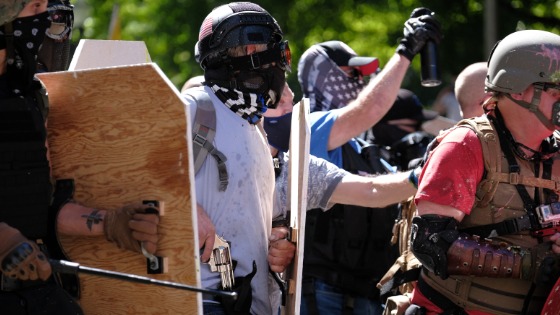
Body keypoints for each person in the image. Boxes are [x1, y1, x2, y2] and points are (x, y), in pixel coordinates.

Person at [0, 1, 160, 314]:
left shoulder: (26, 96)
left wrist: (109, 224)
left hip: (32, 293)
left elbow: (39, 206)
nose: (43, 19)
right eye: (32, 9)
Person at [293, 9, 442, 315]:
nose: (362, 81)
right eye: (353, 74)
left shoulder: (360, 146)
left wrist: (434, 163)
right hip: (322, 292)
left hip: (366, 292)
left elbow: (391, 191)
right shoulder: (310, 126)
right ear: (324, 77)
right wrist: (405, 50)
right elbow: (370, 108)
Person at [408, 29, 560, 315]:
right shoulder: (465, 146)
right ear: (517, 89)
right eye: (555, 91)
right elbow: (431, 242)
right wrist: (529, 264)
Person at [183, 2, 292, 314]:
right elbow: (139, 179)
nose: (262, 58)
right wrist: (188, 208)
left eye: (264, 47)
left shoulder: (252, 124)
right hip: (204, 298)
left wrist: (277, 240)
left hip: (250, 301)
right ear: (220, 56)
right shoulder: (196, 108)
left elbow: (254, 219)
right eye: (248, 48)